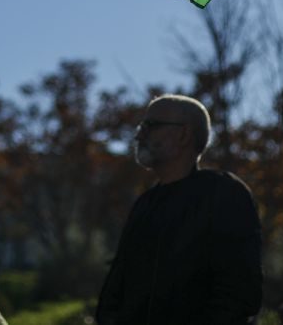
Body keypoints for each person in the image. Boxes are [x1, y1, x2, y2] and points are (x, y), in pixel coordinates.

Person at [96, 94, 263, 325]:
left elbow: (239, 292)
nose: (139, 133)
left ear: (184, 135)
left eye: (151, 125)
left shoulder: (223, 194)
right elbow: (115, 290)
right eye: (141, 125)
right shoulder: (144, 204)